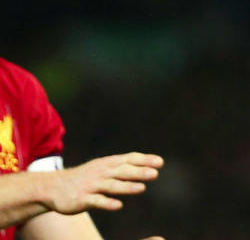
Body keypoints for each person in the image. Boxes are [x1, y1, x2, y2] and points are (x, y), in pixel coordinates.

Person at [0, 56, 164, 240]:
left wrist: (47, 187)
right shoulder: (45, 187)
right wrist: (43, 187)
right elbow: (48, 190)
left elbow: (53, 203)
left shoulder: (19, 91)